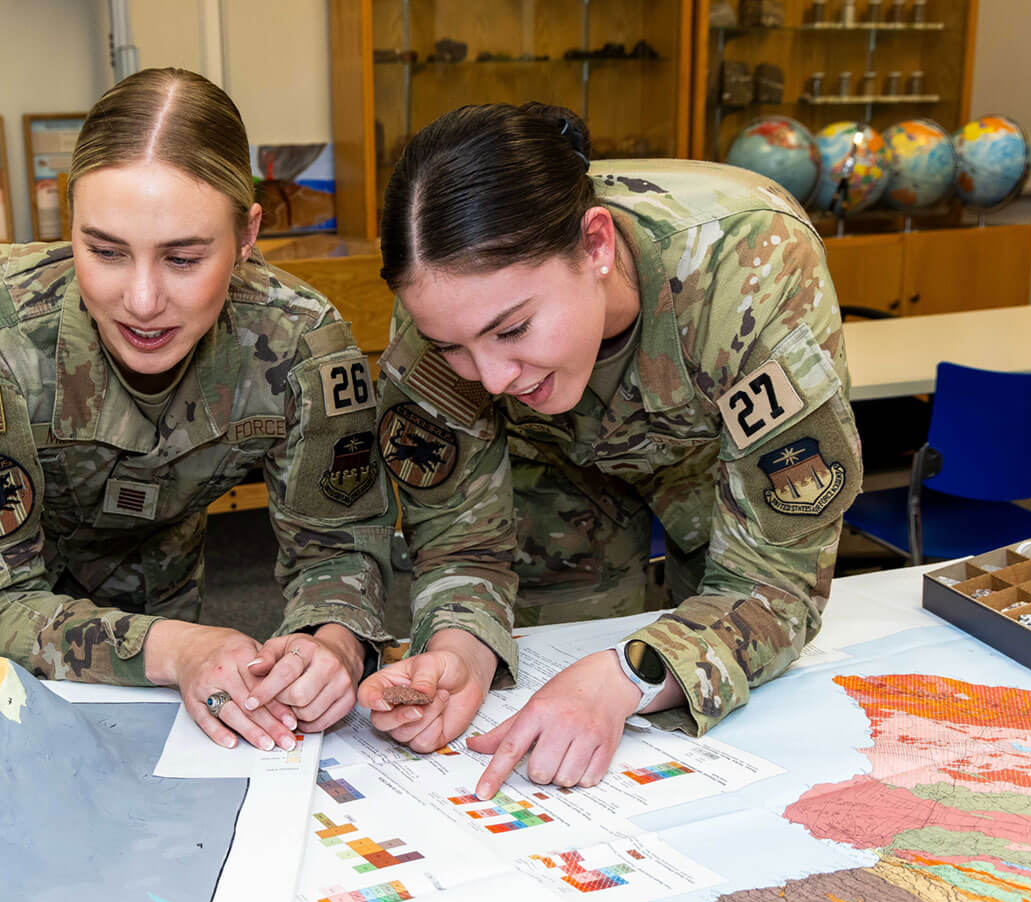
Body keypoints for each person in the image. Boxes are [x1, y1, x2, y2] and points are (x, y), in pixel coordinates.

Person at [0, 68, 394, 752]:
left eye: (183, 258)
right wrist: (177, 651)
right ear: (71, 228)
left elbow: (340, 544)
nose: (142, 301)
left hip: (152, 543)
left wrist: (335, 642)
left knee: (148, 751)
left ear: (247, 235)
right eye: (106, 251)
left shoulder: (298, 339)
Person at [355, 103, 862, 798]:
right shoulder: (447, 298)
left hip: (707, 471)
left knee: (727, 722)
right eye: (454, 348)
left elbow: (776, 580)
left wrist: (631, 674)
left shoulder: (750, 265)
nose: (493, 377)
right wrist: (459, 648)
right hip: (549, 470)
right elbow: (461, 546)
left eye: (514, 329)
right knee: (549, 716)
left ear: (596, 245)